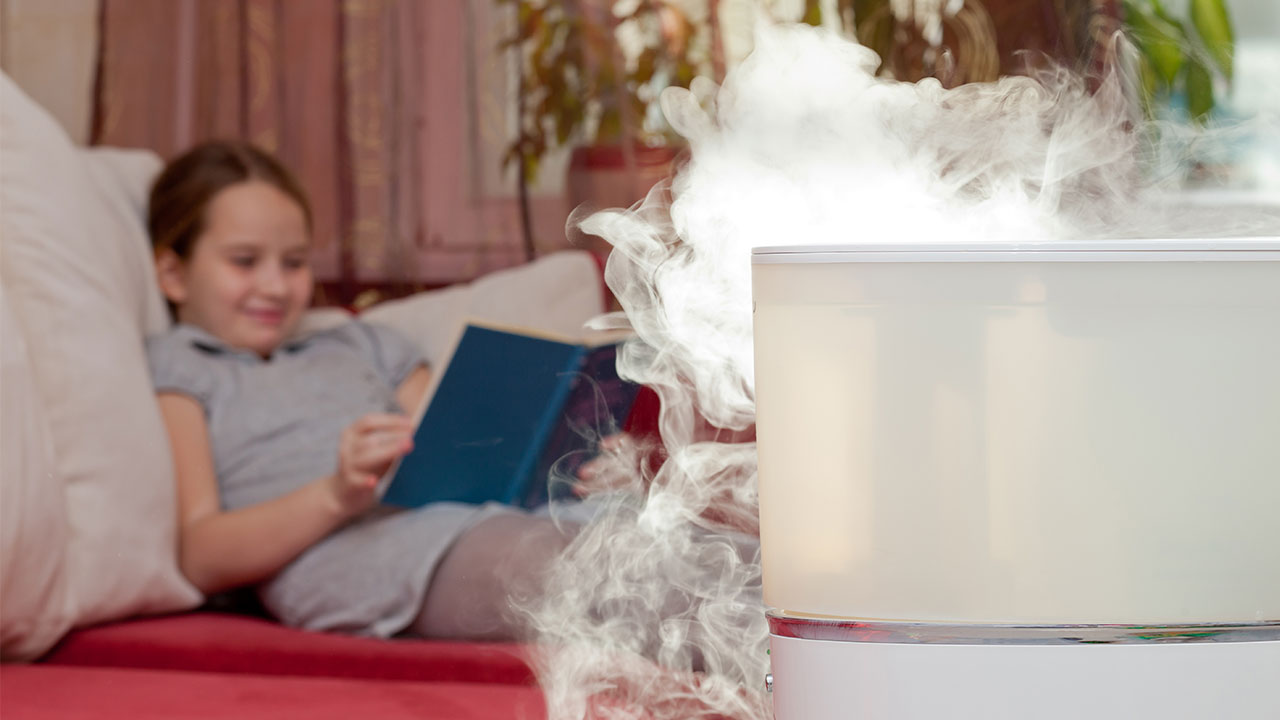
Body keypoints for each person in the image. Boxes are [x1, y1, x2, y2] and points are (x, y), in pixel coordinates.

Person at [145, 139, 576, 640]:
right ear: (173, 274)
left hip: (466, 520)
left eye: (294, 262)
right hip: (352, 557)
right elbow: (200, 554)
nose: (276, 286)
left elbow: (460, 450)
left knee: (639, 528)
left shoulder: (360, 343)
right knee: (569, 565)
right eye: (244, 261)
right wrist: (334, 495)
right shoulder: (184, 367)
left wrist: (563, 463)